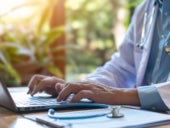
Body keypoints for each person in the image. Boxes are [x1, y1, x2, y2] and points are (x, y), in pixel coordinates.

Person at [27, 0, 170, 112]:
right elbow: (122, 68)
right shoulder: (145, 10)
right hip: (148, 117)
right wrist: (79, 88)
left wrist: (121, 95)